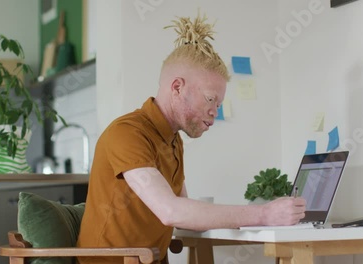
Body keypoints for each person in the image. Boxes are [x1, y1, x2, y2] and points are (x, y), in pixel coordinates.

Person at [76, 13, 306, 264]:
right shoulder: (128, 133)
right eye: (210, 99)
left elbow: (185, 211)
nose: (214, 113)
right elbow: (171, 211)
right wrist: (264, 214)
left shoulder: (173, 141)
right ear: (177, 88)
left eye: (218, 104)